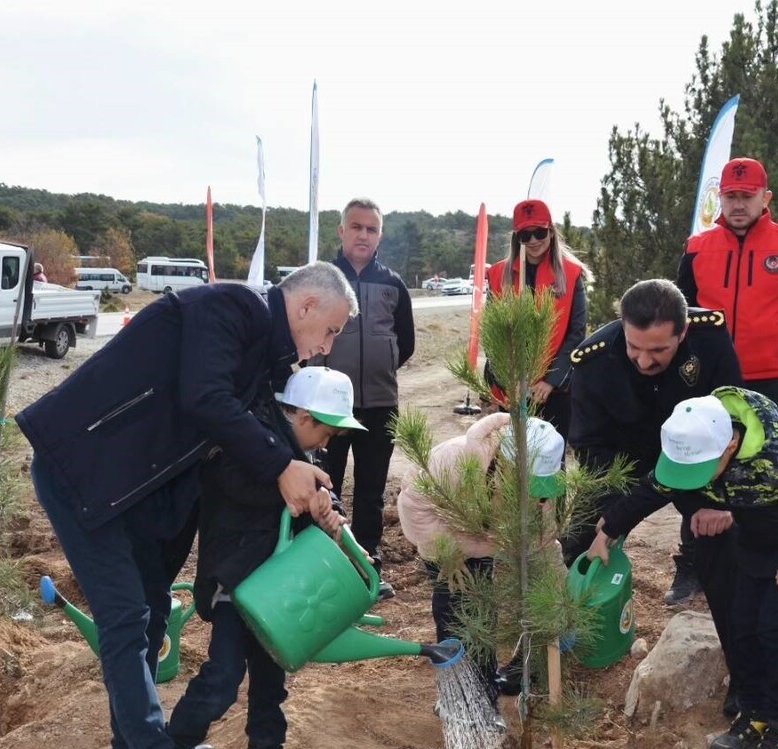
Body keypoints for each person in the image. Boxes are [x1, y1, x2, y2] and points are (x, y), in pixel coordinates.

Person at [14, 263, 356, 749]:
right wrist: (280, 466)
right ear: (306, 307)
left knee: (148, 613)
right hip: (85, 470)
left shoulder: (264, 355)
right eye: (331, 331)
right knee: (125, 619)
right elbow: (206, 398)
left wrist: (312, 486)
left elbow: (258, 426)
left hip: (139, 487)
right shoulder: (229, 310)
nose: (325, 348)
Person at [588, 387, 778, 749]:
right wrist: (606, 532)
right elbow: (651, 490)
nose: (689, 481)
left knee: (773, 627)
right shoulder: (692, 443)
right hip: (754, 543)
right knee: (740, 624)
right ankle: (756, 714)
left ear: (730, 444)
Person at [167, 367, 363, 749]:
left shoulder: (310, 458)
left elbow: (324, 504)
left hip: (280, 590)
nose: (328, 444)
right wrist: (299, 494)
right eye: (326, 433)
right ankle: (173, 748)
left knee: (271, 680)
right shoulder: (248, 446)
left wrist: (330, 518)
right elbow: (233, 487)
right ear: (304, 418)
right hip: (233, 585)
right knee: (222, 680)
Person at [567, 280, 744, 700]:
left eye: (659, 351)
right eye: (634, 347)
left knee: (727, 551)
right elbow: (591, 445)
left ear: (682, 334)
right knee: (579, 542)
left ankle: (741, 670)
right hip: (622, 462)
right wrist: (614, 514)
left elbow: (733, 417)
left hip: (698, 460)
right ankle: (562, 648)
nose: (644, 360)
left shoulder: (711, 340)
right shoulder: (593, 360)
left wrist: (712, 498)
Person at [396, 415, 565, 705]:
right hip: (444, 535)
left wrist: (559, 595)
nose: (534, 495)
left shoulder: (542, 491)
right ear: (508, 463)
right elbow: (413, 505)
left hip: (486, 541)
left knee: (483, 610)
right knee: (454, 607)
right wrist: (445, 552)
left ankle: (484, 687)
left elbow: (544, 542)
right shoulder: (456, 459)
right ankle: (457, 693)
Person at [313, 198, 414, 577]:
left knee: (371, 491)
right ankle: (327, 562)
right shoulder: (322, 278)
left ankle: (368, 563)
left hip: (380, 403)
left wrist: (379, 366)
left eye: (371, 229)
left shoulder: (392, 284)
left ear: (379, 236)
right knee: (326, 485)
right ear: (341, 231)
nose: (363, 235)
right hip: (328, 407)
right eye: (356, 227)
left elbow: (406, 342)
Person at [676, 158, 778, 418]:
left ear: (765, 198)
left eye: (748, 195)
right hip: (707, 379)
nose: (739, 204)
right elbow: (679, 318)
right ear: (720, 197)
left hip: (769, 382)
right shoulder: (696, 248)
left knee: (768, 457)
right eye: (731, 196)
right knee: (711, 457)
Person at [486, 199, 590, 439]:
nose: (533, 241)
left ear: (551, 232)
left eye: (540, 232)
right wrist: (508, 380)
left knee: (551, 460)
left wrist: (550, 382)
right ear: (517, 238)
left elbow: (576, 333)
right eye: (525, 235)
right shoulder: (497, 275)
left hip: (553, 391)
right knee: (511, 460)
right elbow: (493, 334)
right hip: (512, 386)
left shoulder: (572, 275)